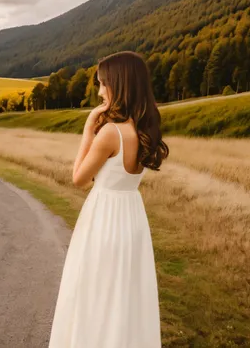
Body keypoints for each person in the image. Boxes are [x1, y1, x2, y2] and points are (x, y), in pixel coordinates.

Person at [48, 51, 169, 348]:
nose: (100, 91)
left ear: (119, 84)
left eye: (103, 84)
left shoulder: (110, 133)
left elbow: (79, 178)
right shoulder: (143, 129)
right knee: (125, 296)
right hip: (131, 217)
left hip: (104, 220)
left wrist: (90, 127)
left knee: (93, 294)